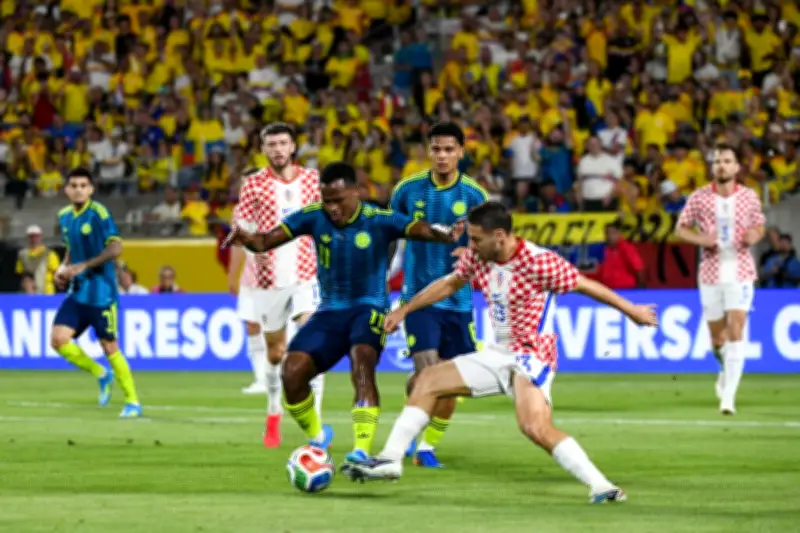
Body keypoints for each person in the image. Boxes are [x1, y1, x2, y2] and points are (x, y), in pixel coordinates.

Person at [340, 201, 658, 504]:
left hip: (532, 354)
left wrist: (632, 311)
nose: (471, 245)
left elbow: (586, 285)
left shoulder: (539, 261)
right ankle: (391, 459)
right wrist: (404, 309)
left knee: (534, 427)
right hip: (500, 351)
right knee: (428, 379)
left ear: (500, 236)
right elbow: (450, 283)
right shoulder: (480, 255)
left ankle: (602, 485)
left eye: (477, 239)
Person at [223, 161, 464, 463]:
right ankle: (318, 436)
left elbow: (421, 229)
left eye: (338, 200)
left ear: (356, 192)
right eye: (327, 201)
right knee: (291, 372)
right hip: (330, 311)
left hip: (369, 307)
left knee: (362, 362)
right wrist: (246, 238)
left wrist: (446, 233)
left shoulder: (379, 219)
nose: (332, 208)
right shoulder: (312, 216)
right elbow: (265, 241)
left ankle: (361, 449)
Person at [387, 121, 488, 467]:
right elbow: (390, 234)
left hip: (458, 300)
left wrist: (471, 251)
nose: (442, 156)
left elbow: (489, 242)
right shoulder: (407, 190)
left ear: (460, 152)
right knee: (430, 372)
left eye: (448, 149)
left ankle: (426, 446)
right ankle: (404, 444)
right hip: (418, 297)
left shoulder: (474, 195)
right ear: (428, 151)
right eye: (436, 149)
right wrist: (381, 280)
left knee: (449, 381)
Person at [231, 124, 324, 447]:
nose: (278, 149)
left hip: (306, 274)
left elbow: (326, 219)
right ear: (264, 149)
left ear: (293, 146)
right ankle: (273, 411)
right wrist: (247, 237)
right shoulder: (254, 184)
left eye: (283, 143)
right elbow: (242, 226)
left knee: (314, 343)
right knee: (276, 354)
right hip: (269, 280)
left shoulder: (312, 180)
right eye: (271, 144)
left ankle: (316, 431)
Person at [675, 142, 765, 415]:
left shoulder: (749, 196)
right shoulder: (699, 197)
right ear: (712, 167)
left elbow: (759, 225)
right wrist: (702, 239)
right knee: (718, 340)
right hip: (711, 272)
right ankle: (724, 368)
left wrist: (754, 235)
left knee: (736, 329)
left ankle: (728, 398)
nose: (721, 166)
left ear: (736, 167)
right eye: (717, 162)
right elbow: (681, 229)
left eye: (726, 161)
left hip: (741, 270)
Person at [50, 167, 142, 418]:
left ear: (91, 189)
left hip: (102, 294)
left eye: (83, 185)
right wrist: (63, 267)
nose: (78, 190)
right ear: (67, 190)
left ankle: (132, 401)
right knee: (58, 340)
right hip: (78, 291)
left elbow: (116, 247)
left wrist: (84, 266)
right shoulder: (64, 216)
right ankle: (101, 374)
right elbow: (71, 248)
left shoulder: (99, 214)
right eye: (74, 186)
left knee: (109, 347)